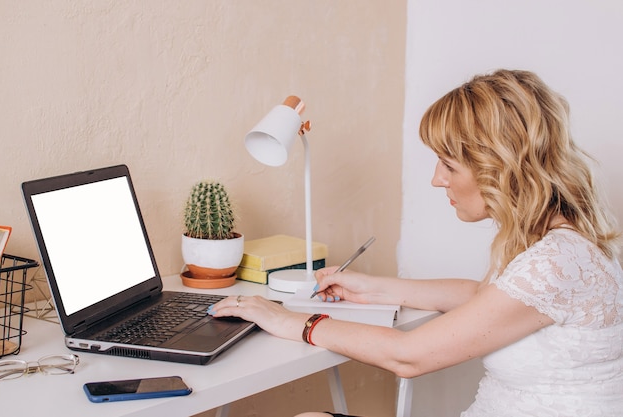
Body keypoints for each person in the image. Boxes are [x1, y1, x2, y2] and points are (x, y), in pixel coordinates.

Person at [208, 69, 623, 416]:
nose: (437, 179)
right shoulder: (556, 240)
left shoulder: (557, 261)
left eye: (448, 164)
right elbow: (485, 297)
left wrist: (291, 322)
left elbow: (409, 356)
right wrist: (372, 286)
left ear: (499, 167)